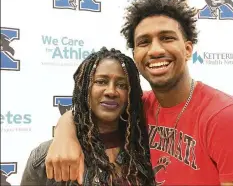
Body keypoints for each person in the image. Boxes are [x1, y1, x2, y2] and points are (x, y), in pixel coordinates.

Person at [44, 0, 233, 186]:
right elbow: (88, 110)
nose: (155, 50)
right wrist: (65, 133)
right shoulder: (138, 105)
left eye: (166, 38)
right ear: (135, 55)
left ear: (187, 49)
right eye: (144, 42)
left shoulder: (227, 117)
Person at [20, 47, 155, 186]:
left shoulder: (146, 149)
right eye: (101, 81)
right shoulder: (46, 157)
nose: (111, 91)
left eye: (122, 85)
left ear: (130, 95)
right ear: (84, 88)